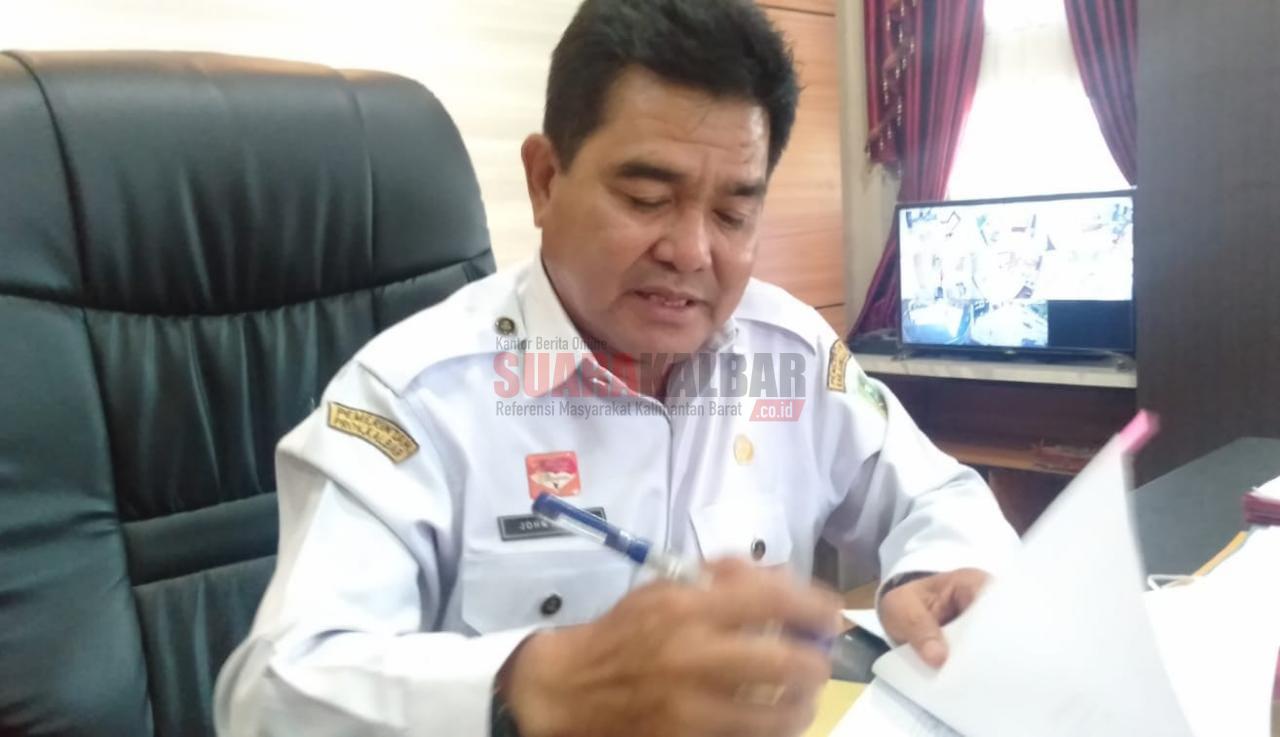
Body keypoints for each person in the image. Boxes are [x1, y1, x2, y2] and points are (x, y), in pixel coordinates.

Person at [213, 1, 1019, 735]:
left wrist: (936, 571)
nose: (692, 252)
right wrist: (531, 683)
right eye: (646, 199)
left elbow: (939, 494)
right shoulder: (414, 396)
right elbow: (268, 694)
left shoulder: (791, 354)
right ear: (545, 180)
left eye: (733, 212)